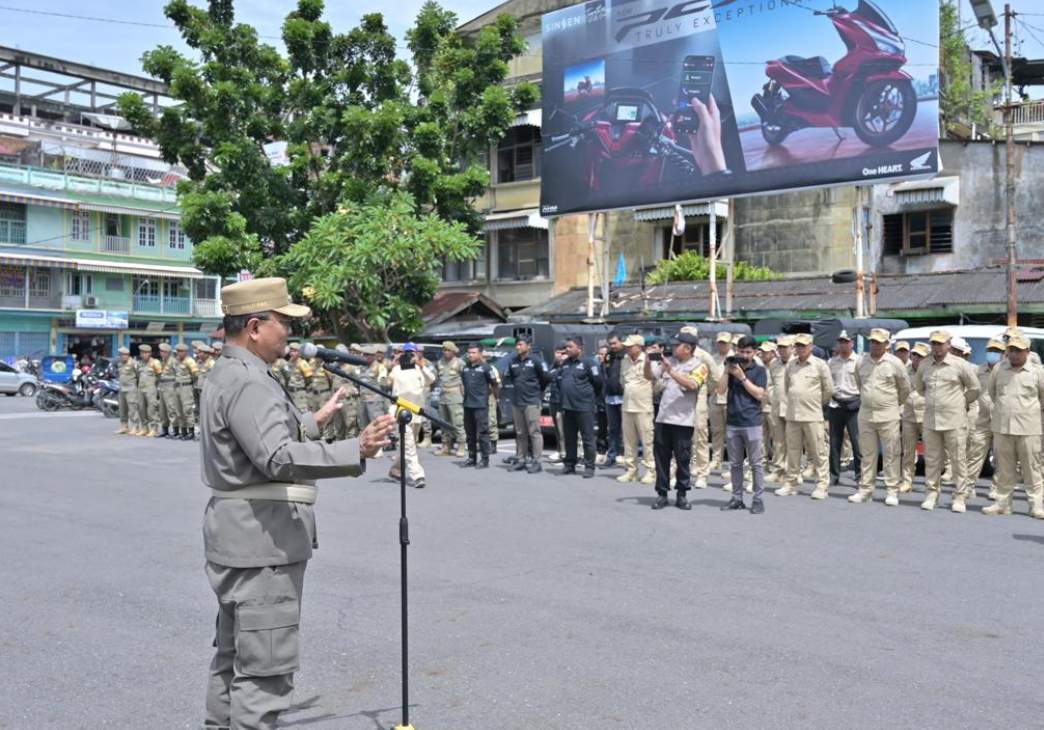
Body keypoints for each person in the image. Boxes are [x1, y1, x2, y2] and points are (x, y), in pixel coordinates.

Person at [199, 277, 395, 730]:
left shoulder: (230, 371)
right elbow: (275, 456)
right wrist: (355, 450)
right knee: (265, 672)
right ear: (253, 326)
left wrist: (312, 421)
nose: (289, 332)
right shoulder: (250, 381)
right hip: (261, 544)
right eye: (283, 322)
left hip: (238, 537)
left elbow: (253, 440)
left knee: (233, 659)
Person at [913, 330, 980, 512]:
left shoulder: (960, 364)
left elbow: (974, 388)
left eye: (940, 343)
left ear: (949, 345)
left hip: (954, 420)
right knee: (932, 459)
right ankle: (932, 493)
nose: (937, 347)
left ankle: (960, 496)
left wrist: (960, 402)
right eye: (934, 343)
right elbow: (919, 388)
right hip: (931, 420)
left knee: (958, 459)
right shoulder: (925, 364)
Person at [645, 331, 709, 509]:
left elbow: (691, 385)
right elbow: (649, 376)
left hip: (683, 421)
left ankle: (682, 494)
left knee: (683, 459)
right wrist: (647, 360)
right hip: (663, 418)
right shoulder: (669, 361)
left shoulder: (699, 366)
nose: (673, 347)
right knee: (661, 459)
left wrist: (670, 371)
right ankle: (662, 493)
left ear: (688, 348)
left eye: (677, 345)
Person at [983, 335, 1044, 519]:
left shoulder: (1037, 371)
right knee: (1004, 468)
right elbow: (993, 394)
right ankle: (1003, 504)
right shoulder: (999, 369)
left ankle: (1036, 505)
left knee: (1032, 468)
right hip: (1003, 427)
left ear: (1027, 351)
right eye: (1011, 350)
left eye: (1018, 350)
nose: (1014, 354)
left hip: (1028, 429)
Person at [849, 328, 910, 506]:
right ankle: (865, 489)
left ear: (886, 344)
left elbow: (905, 389)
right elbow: (860, 385)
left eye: (878, 342)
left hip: (888, 414)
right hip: (866, 414)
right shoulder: (861, 361)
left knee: (891, 453)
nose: (874, 345)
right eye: (872, 341)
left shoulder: (895, 363)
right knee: (867, 453)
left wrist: (891, 404)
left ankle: (891, 490)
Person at [777, 333, 833, 499]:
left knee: (818, 452)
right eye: (798, 345)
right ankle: (791, 483)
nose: (800, 349)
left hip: (812, 415)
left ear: (811, 346)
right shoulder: (791, 365)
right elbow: (788, 387)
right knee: (793, 451)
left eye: (803, 345)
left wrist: (815, 403)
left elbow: (828, 390)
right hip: (793, 414)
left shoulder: (820, 365)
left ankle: (822, 485)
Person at [718, 336, 769, 513]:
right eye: (741, 351)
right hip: (733, 421)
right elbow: (720, 390)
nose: (744, 355)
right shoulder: (732, 368)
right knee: (735, 464)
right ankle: (737, 497)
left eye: (748, 352)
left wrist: (742, 378)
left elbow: (759, 395)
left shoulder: (760, 370)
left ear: (755, 352)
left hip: (752, 422)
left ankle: (758, 499)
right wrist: (727, 370)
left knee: (756, 463)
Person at [386, 343, 434, 488]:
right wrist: (391, 365)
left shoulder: (420, 370)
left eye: (412, 353)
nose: (409, 355)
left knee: (407, 445)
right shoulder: (396, 370)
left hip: (416, 413)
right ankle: (418, 476)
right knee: (409, 447)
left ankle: (396, 470)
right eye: (405, 352)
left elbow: (431, 379)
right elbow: (383, 382)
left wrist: (421, 365)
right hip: (401, 412)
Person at [555, 337, 603, 478]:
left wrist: (588, 397)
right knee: (570, 438)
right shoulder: (565, 364)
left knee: (587, 438)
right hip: (568, 406)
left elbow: (598, 383)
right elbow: (560, 382)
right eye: (566, 347)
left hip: (584, 407)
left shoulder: (589, 363)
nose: (566, 349)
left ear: (579, 348)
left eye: (570, 347)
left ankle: (589, 466)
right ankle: (570, 464)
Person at [965, 339, 1005, 501]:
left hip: (1001, 419)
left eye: (997, 351)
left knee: (1001, 455)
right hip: (982, 419)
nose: (993, 354)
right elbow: (971, 390)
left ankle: (996, 488)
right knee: (975, 452)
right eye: (991, 350)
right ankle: (968, 486)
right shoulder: (978, 370)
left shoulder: (1007, 370)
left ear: (1003, 354)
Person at [505, 335, 550, 473]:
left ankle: (537, 461)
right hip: (517, 401)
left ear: (529, 346)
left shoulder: (537, 361)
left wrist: (538, 393)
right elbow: (513, 379)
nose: (518, 347)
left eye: (521, 344)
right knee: (520, 433)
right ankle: (521, 460)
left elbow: (545, 378)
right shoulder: (513, 362)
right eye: (517, 345)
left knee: (534, 432)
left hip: (532, 401)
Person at [617, 334, 656, 485]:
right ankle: (631, 470)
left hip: (643, 407)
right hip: (627, 406)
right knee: (629, 441)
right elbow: (622, 381)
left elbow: (656, 383)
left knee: (647, 441)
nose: (627, 348)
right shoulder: (624, 361)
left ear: (639, 347)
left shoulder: (649, 360)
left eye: (630, 346)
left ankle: (650, 471)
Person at [827, 330, 862, 486]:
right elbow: (828, 384)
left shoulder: (859, 361)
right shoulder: (831, 362)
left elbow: (864, 384)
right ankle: (834, 475)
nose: (842, 345)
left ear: (852, 343)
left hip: (854, 404)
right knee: (835, 442)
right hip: (836, 404)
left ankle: (860, 475)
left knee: (857, 441)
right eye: (840, 342)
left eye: (845, 342)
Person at [460, 343, 499, 468]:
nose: (470, 355)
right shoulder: (465, 368)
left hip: (481, 405)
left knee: (482, 433)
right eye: (469, 352)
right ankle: (472, 458)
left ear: (480, 354)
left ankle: (484, 459)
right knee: (470, 433)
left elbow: (495, 384)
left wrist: (496, 399)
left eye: (473, 352)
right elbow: (462, 384)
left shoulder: (486, 368)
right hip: (468, 405)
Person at [899, 342, 929, 493]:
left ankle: (932, 482)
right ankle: (907, 480)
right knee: (908, 451)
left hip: (927, 415)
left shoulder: (931, 371)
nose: (916, 358)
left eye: (921, 356)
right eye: (914, 355)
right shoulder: (905, 371)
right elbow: (899, 390)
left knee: (932, 452)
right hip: (909, 415)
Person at [435, 341, 467, 458]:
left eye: (448, 350)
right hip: (443, 396)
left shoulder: (460, 363)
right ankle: (446, 446)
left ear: (454, 352)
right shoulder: (439, 363)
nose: (446, 352)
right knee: (443, 423)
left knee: (457, 422)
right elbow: (437, 378)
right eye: (444, 350)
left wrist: (464, 394)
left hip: (455, 396)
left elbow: (465, 379)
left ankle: (461, 445)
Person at [709, 331, 733, 477]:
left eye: (724, 342)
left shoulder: (735, 358)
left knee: (732, 434)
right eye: (720, 343)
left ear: (730, 343)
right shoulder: (713, 358)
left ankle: (732, 462)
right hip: (715, 399)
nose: (721, 345)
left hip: (730, 400)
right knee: (717, 431)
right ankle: (716, 459)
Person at [602, 333, 625, 467]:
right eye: (610, 344)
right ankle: (612, 456)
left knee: (627, 430)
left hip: (624, 396)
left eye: (614, 343)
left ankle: (627, 456)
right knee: (613, 429)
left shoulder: (627, 355)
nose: (612, 346)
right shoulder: (609, 355)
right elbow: (605, 372)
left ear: (621, 342)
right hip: (610, 397)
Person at [173, 343, 199, 441]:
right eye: (178, 351)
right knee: (179, 410)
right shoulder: (176, 361)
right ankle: (183, 431)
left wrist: (189, 384)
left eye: (180, 351)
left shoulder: (190, 361)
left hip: (186, 388)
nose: (178, 353)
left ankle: (191, 432)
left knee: (187, 410)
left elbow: (195, 374)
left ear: (185, 352)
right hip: (177, 387)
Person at [136, 344, 163, 437]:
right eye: (142, 353)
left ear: (150, 353)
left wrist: (156, 387)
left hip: (151, 389)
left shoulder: (155, 362)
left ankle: (154, 428)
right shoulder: (140, 363)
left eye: (146, 353)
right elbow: (137, 376)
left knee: (152, 409)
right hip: (141, 389)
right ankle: (144, 428)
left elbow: (160, 376)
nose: (144, 355)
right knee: (141, 408)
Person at [547, 346, 568, 463]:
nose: (559, 355)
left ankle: (564, 453)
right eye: (557, 353)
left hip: (562, 402)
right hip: (553, 400)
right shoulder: (553, 367)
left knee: (563, 430)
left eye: (561, 353)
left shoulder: (566, 367)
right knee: (556, 429)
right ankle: (559, 450)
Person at [114, 346, 140, 436]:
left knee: (133, 408)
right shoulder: (120, 364)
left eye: (122, 355)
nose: (121, 357)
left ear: (127, 355)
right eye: (120, 355)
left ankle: (135, 427)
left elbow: (138, 375)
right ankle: (124, 426)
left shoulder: (134, 363)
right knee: (122, 408)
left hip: (131, 389)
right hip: (122, 388)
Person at [192, 342, 215, 440]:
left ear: (206, 353)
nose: (198, 354)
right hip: (197, 389)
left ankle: (208, 432)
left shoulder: (212, 363)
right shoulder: (199, 362)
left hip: (206, 391)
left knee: (206, 411)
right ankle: (201, 431)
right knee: (199, 410)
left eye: (200, 352)